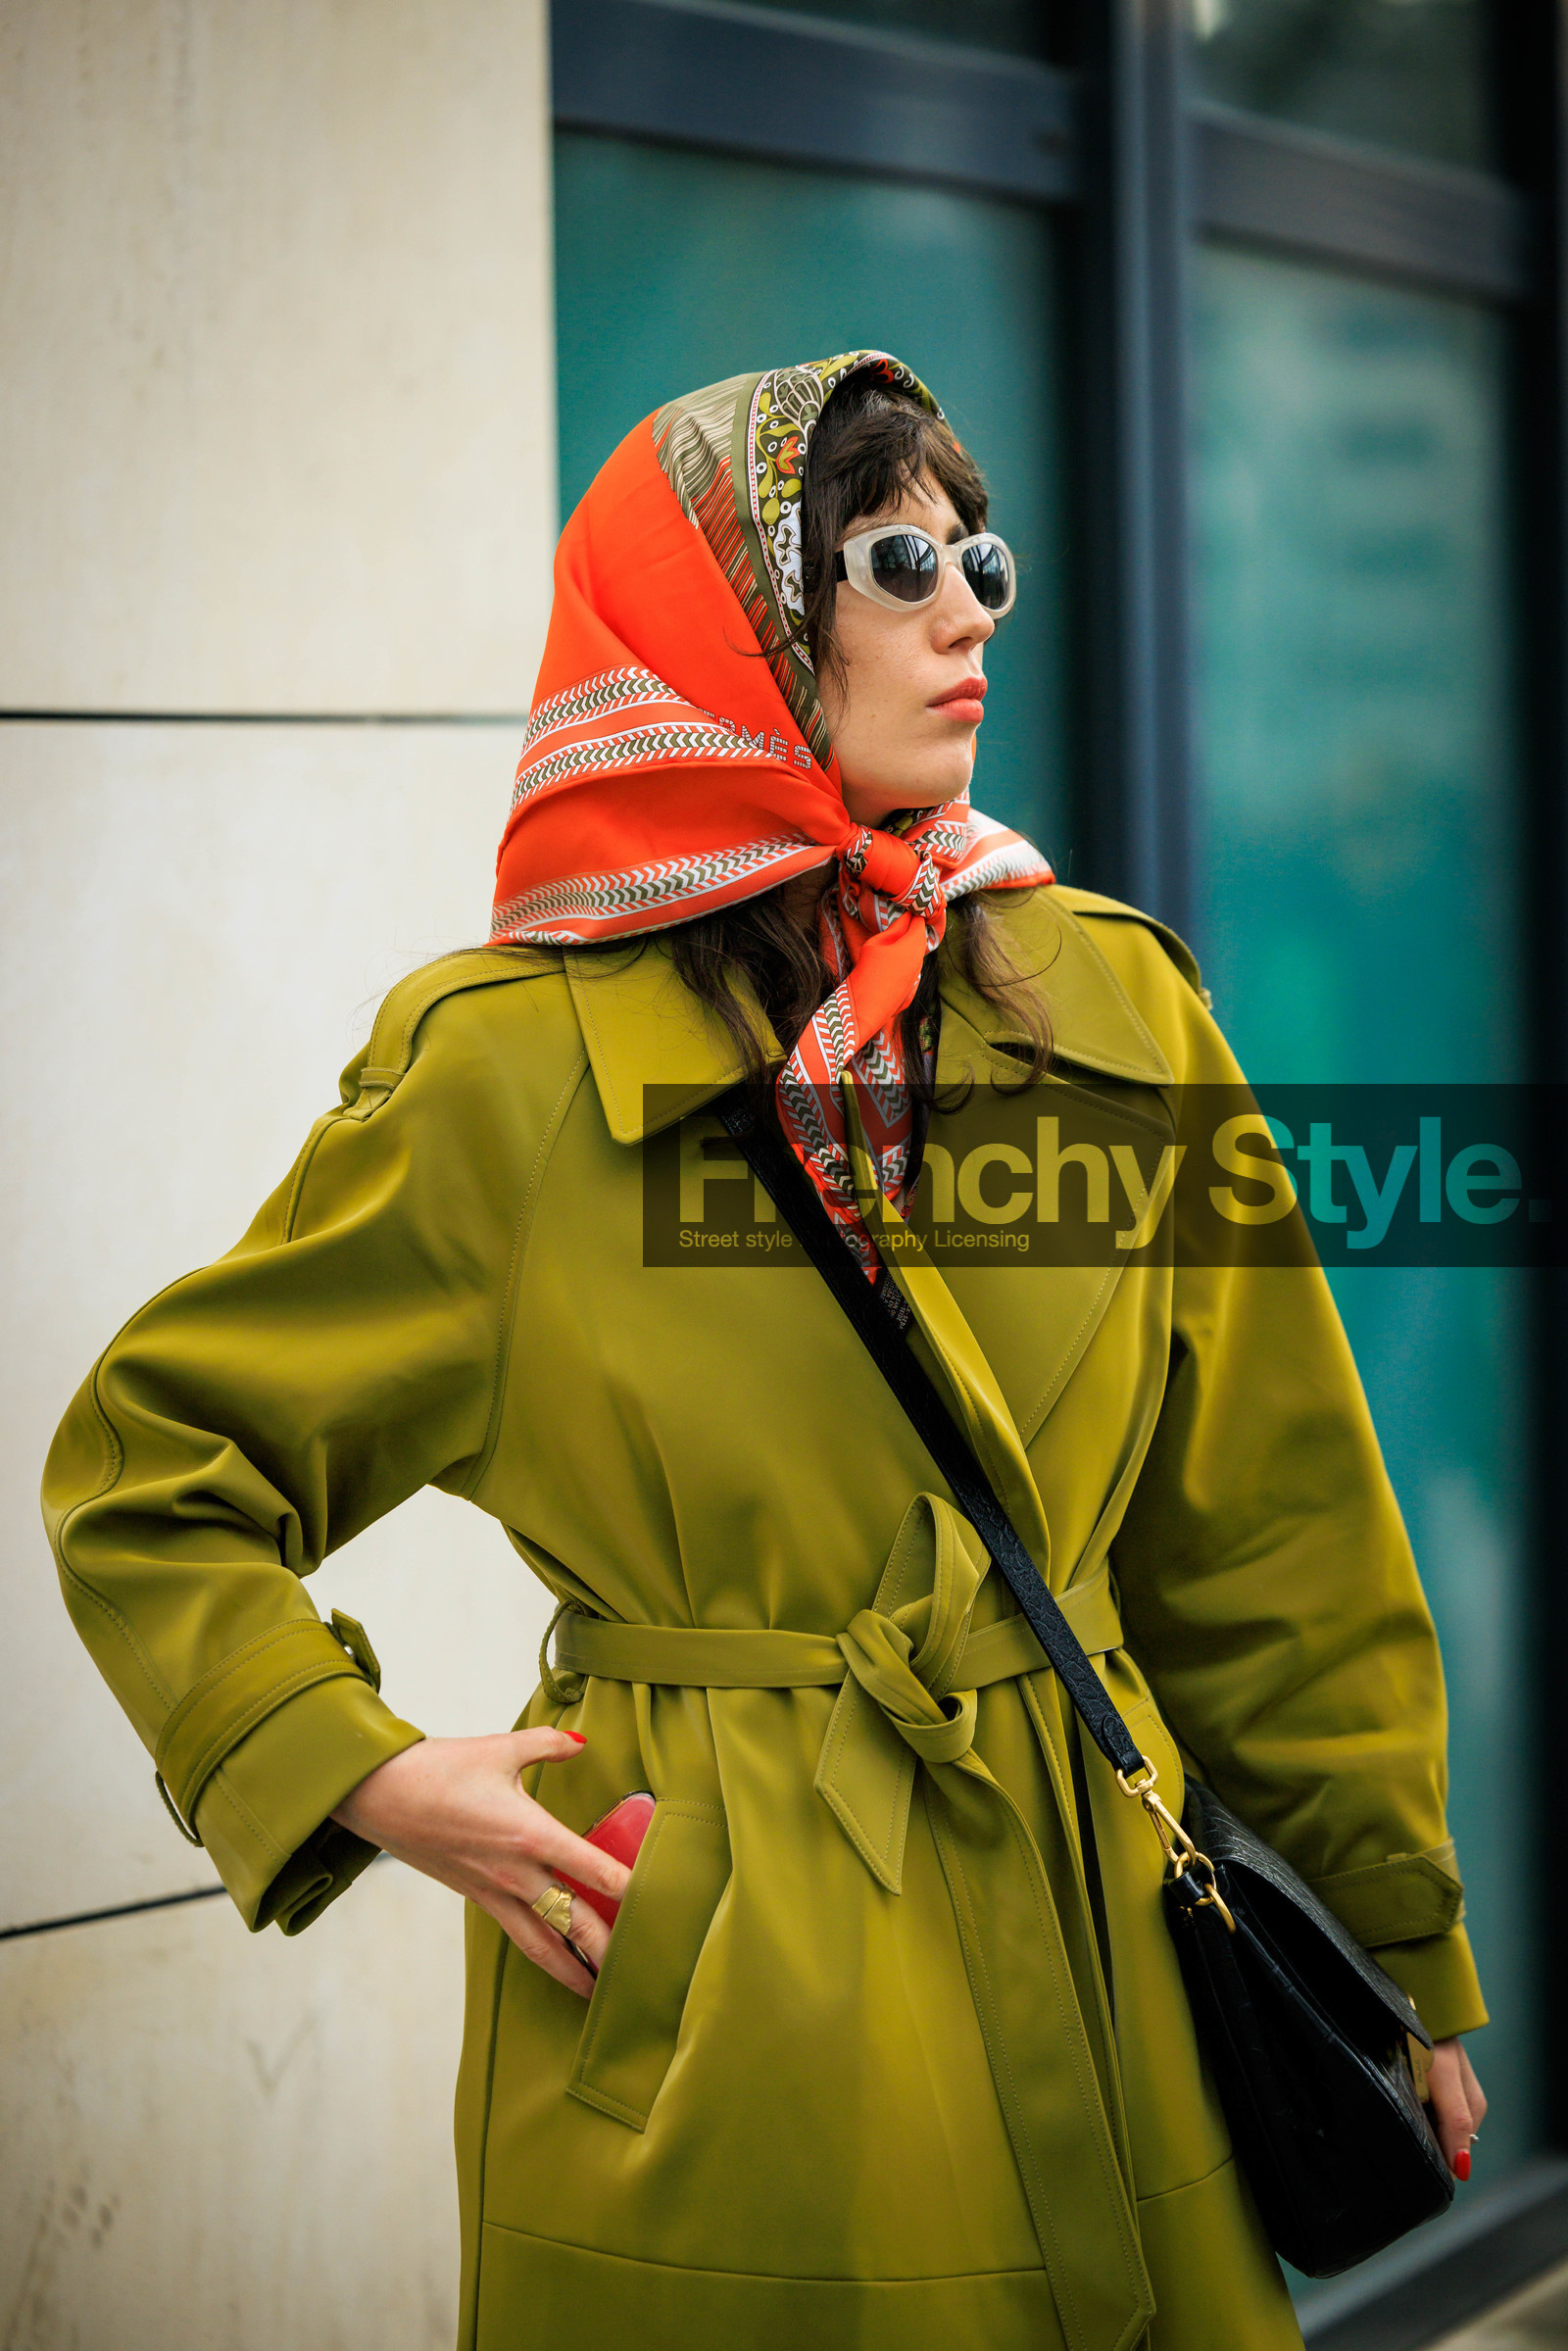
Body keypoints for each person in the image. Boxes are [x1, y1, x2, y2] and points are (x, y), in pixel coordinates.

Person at [44, 351, 1486, 2351]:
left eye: (977, 552)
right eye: (889, 559)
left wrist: (1394, 1946)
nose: (970, 605)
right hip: (727, 2012)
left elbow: (1271, 1543)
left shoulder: (1112, 1006)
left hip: (1112, 1954)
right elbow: (149, 1470)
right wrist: (361, 1775)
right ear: (721, 631)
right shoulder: (507, 1082)